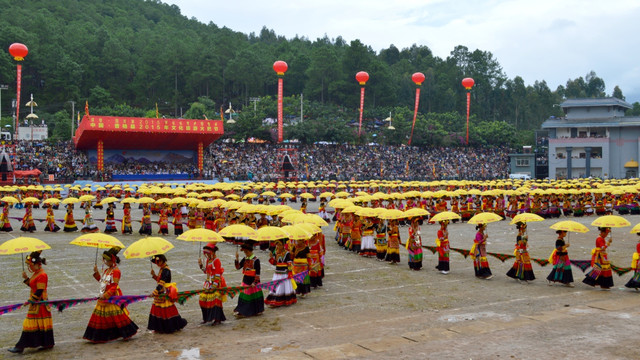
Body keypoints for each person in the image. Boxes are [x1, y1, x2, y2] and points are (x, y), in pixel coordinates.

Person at [83, 247, 138, 343]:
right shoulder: (106, 271)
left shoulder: (116, 271)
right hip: (103, 296)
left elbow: (114, 286)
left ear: (112, 260)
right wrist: (96, 272)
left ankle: (126, 332)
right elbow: (102, 282)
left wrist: (105, 296)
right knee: (102, 317)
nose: (105, 262)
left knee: (117, 317)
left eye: (106, 260)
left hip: (111, 297)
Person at [8, 251, 54, 353]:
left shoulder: (42, 275)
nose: (30, 267)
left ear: (37, 264)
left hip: (39, 304)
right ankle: (47, 343)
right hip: (36, 304)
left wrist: (29, 301)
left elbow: (39, 290)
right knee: (38, 325)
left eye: (30, 265)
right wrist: (26, 279)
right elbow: (34, 286)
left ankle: (20, 346)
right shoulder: (36, 274)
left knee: (28, 324)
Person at [148, 254, 188, 333]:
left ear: (162, 260)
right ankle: (160, 327)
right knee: (158, 310)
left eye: (158, 262)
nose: (157, 264)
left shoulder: (166, 270)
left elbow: (162, 283)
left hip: (164, 291)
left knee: (165, 310)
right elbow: (159, 280)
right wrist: (153, 275)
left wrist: (154, 292)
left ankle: (166, 327)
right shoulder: (162, 269)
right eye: (156, 262)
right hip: (161, 291)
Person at [198, 242, 227, 325]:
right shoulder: (208, 260)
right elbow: (206, 272)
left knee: (215, 301)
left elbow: (217, 274)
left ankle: (217, 319)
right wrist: (201, 266)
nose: (207, 255)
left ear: (213, 252)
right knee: (202, 300)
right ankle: (206, 318)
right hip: (208, 282)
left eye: (208, 253)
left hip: (216, 283)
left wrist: (214, 286)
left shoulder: (217, 261)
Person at [234, 241, 264, 317]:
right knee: (244, 297)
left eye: (246, 251)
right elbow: (238, 267)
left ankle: (253, 311)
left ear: (250, 251)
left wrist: (255, 282)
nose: (245, 253)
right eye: (244, 252)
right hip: (245, 281)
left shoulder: (256, 260)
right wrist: (237, 259)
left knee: (252, 297)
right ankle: (242, 310)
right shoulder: (245, 259)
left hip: (253, 281)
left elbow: (258, 273)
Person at [264, 239, 297, 307]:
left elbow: (289, 263)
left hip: (284, 273)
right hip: (277, 272)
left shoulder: (287, 253)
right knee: (277, 287)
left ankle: (278, 301)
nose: (278, 246)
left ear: (283, 245)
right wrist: (271, 258)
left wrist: (290, 273)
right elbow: (275, 263)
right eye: (277, 244)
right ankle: (275, 300)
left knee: (282, 287)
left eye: (280, 245)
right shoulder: (276, 252)